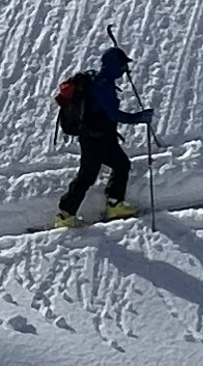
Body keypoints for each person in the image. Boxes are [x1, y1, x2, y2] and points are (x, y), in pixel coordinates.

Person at [52, 43, 153, 228]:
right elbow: (114, 115)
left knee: (121, 164)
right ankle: (65, 215)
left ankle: (114, 204)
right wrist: (140, 117)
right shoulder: (102, 86)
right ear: (113, 66)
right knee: (87, 176)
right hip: (94, 139)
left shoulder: (100, 81)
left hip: (101, 137)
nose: (125, 70)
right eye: (122, 66)